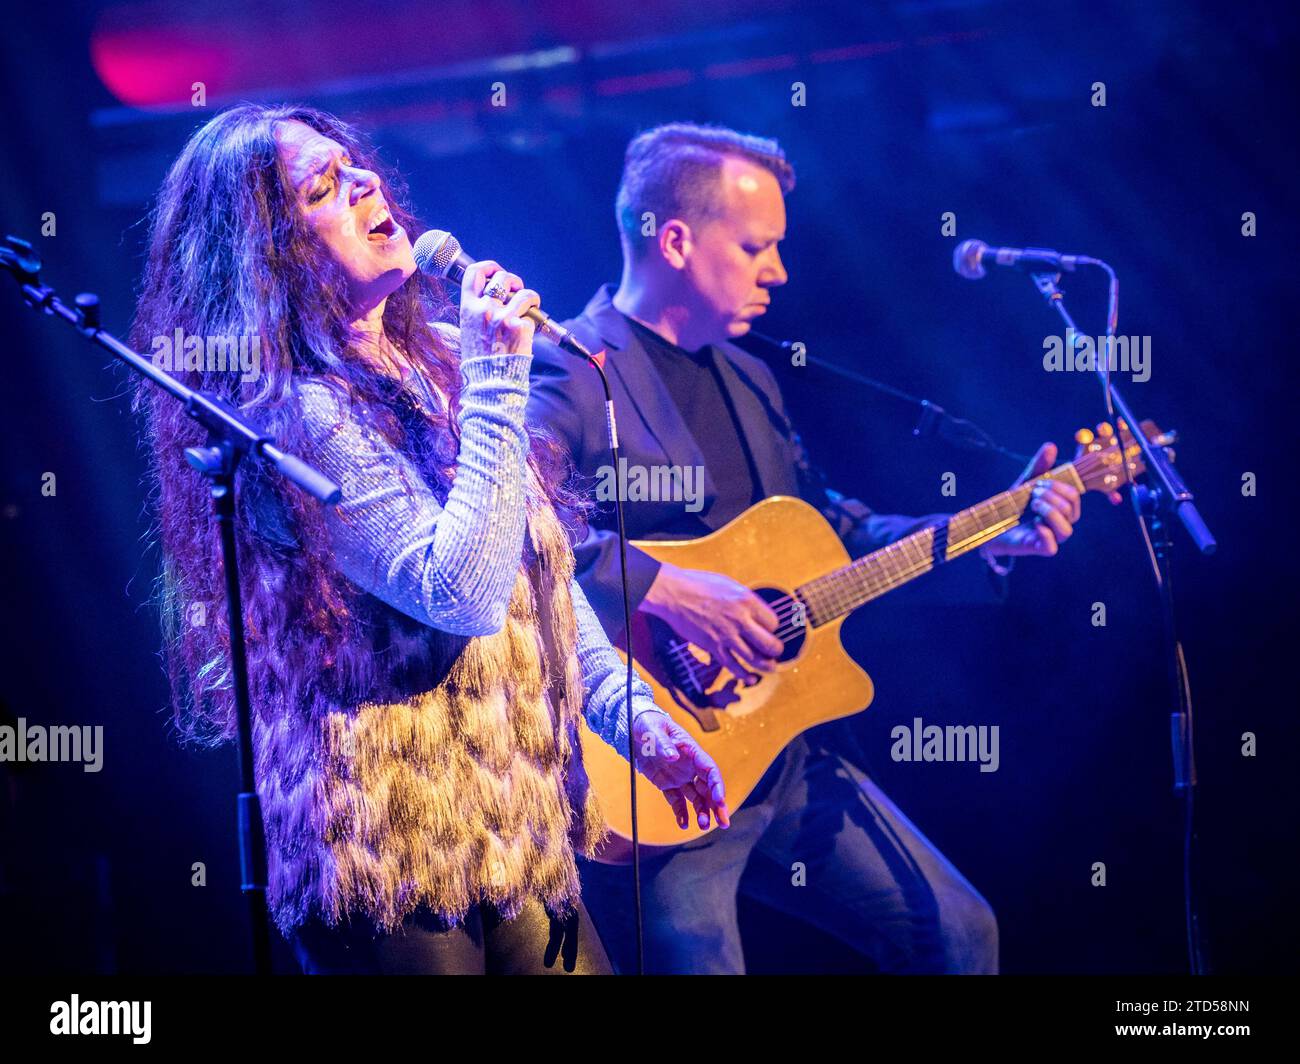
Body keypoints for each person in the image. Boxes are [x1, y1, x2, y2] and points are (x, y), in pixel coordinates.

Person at [131, 104, 728, 975]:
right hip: (384, 839)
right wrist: (494, 383)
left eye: (356, 166)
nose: (368, 182)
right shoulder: (289, 414)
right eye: (324, 188)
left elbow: (537, 583)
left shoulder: (447, 360)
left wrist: (631, 714)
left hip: (517, 821)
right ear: (268, 255)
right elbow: (460, 595)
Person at [528, 122, 1087, 974]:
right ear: (673, 239)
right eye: (757, 247)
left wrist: (988, 538)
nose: (779, 272)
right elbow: (518, 526)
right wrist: (663, 586)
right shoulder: (571, 368)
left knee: (962, 937)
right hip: (655, 764)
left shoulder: (751, 376)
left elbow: (838, 531)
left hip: (781, 755)